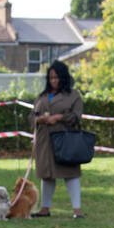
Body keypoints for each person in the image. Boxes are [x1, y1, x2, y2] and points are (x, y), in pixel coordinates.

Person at [31, 60, 86, 217]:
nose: (54, 81)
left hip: (65, 139)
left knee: (70, 173)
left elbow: (76, 116)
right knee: (46, 174)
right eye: (51, 78)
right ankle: (44, 208)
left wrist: (59, 117)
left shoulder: (73, 96)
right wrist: (39, 120)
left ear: (63, 78)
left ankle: (77, 210)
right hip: (44, 141)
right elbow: (31, 117)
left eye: (57, 77)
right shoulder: (42, 96)